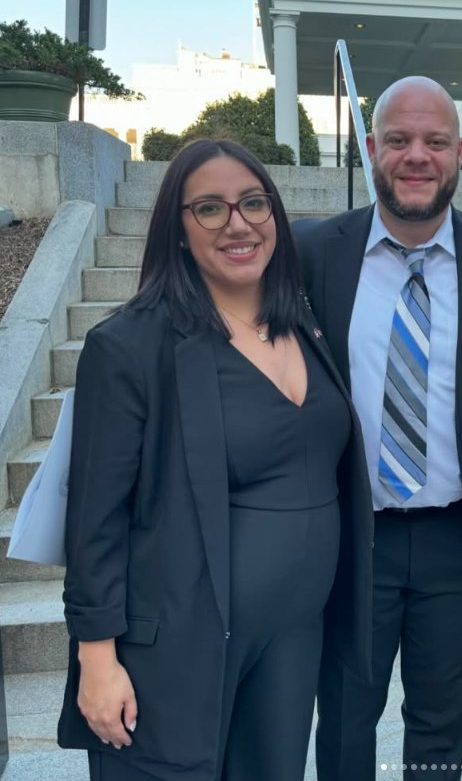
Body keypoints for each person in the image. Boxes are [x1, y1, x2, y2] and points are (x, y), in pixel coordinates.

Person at [57, 138, 373, 781]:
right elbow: (94, 518)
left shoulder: (305, 325)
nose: (239, 224)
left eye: (254, 203)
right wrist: (96, 658)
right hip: (177, 645)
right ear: (176, 229)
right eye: (210, 209)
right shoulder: (130, 346)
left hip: (293, 641)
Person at [294, 76, 462, 781]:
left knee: (441, 726)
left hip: (459, 538)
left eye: (435, 141)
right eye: (400, 140)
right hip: (351, 535)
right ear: (371, 147)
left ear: (459, 152)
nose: (417, 156)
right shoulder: (314, 252)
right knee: (344, 713)